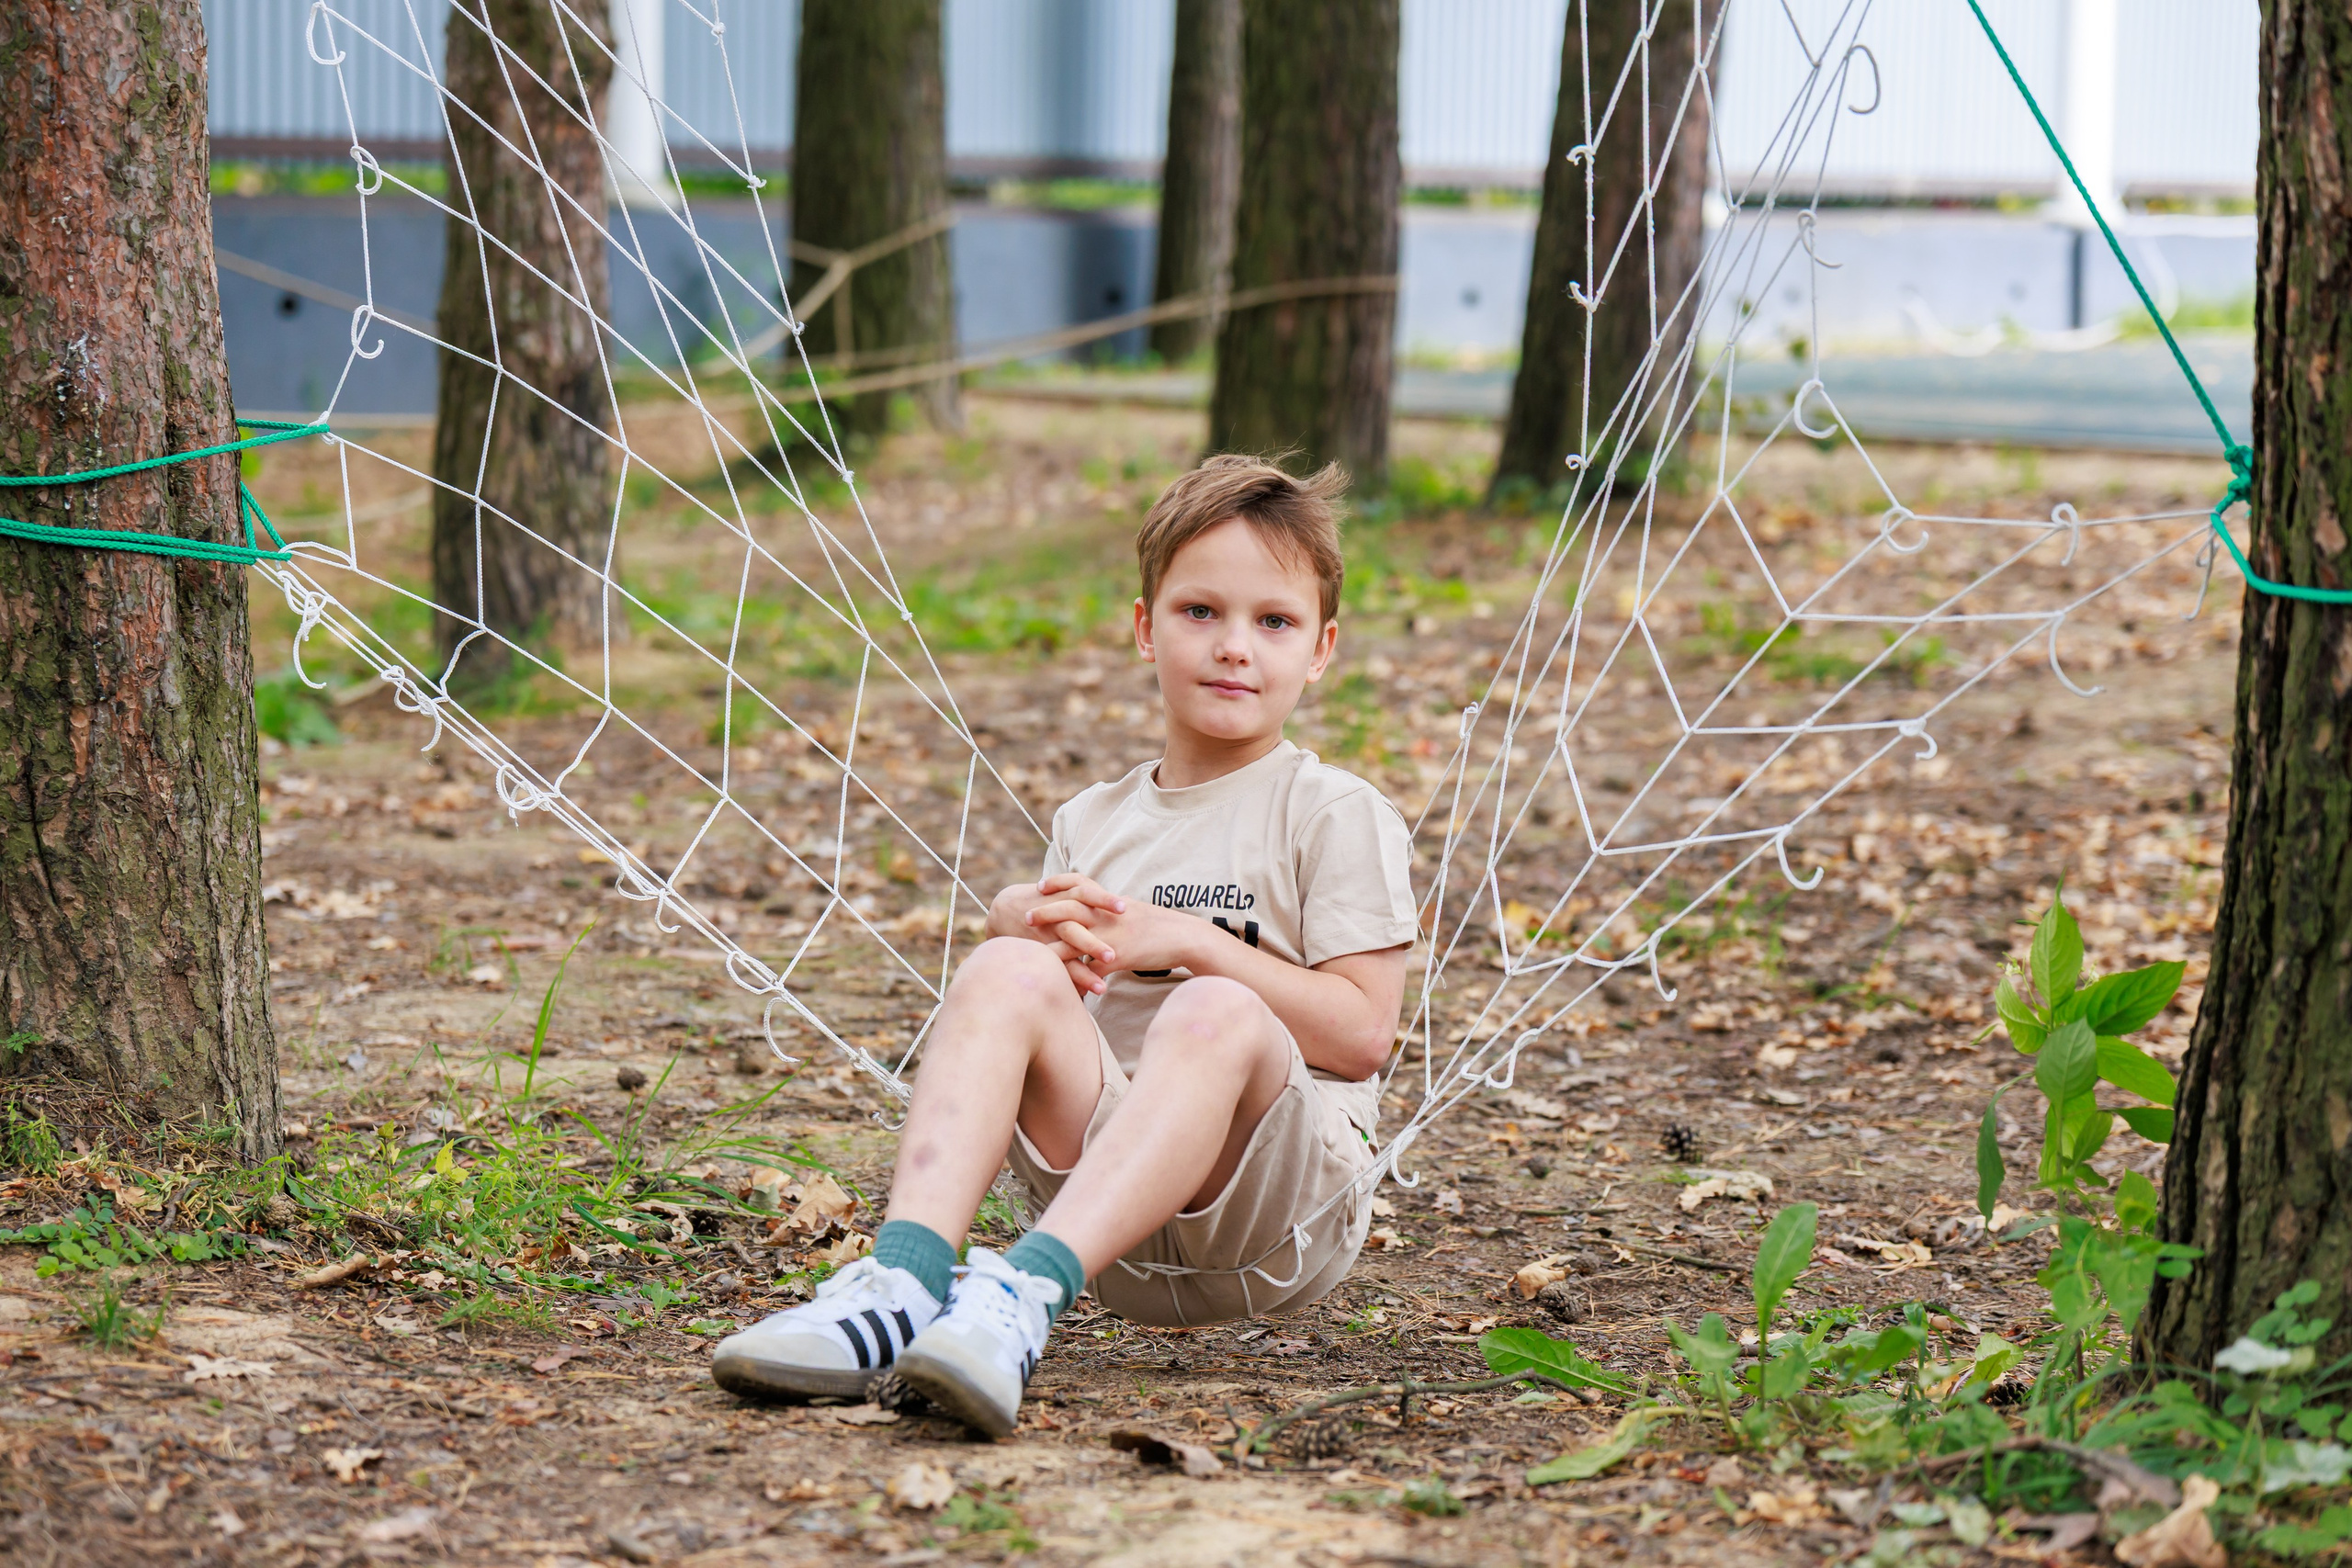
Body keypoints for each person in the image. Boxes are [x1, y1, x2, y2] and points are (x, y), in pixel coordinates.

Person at [711, 456, 1418, 1436]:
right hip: (1116, 1214)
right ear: (1144, 628)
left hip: (1273, 1211)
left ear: (1321, 649)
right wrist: (1027, 930)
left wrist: (1194, 942)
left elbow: (1363, 1037)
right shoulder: (1094, 819)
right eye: (1199, 612)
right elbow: (1056, 1015)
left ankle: (1026, 1296)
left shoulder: (1332, 811)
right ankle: (902, 1290)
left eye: (1274, 623)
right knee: (1004, 964)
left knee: (1211, 1008)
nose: (1234, 649)